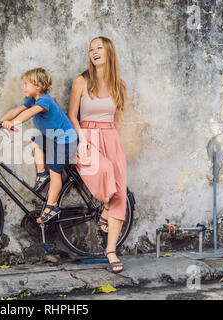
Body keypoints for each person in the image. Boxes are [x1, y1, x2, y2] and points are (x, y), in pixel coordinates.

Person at [68, 36, 128, 273]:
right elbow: (72, 114)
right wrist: (81, 139)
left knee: (120, 193)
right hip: (87, 137)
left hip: (111, 137)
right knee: (104, 170)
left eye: (98, 48)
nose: (94, 51)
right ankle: (105, 206)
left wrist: (119, 149)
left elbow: (118, 121)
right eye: (91, 49)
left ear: (109, 52)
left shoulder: (120, 85)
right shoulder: (81, 82)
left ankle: (111, 251)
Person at [0, 67, 77, 224]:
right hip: (53, 139)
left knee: (55, 172)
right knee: (36, 141)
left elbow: (28, 113)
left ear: (38, 86)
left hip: (65, 141)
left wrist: (13, 123)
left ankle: (52, 206)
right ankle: (42, 174)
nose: (24, 87)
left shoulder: (44, 101)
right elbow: (17, 110)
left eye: (26, 84)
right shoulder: (32, 100)